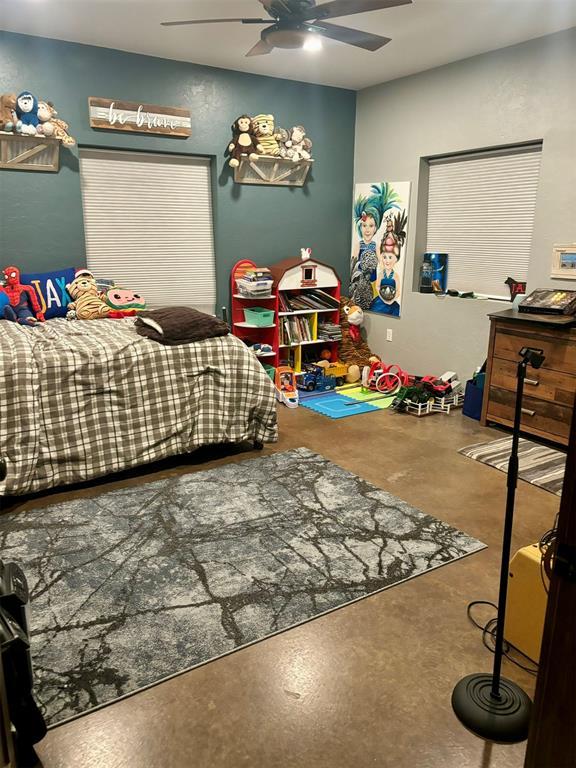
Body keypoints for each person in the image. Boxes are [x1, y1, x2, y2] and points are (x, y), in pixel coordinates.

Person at [371, 218, 401, 316]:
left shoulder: (395, 275)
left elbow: (398, 290)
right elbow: (377, 286)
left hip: (391, 302)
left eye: (390, 257)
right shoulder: (381, 274)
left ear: (395, 259)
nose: (387, 261)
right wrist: (382, 297)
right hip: (380, 300)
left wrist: (391, 300)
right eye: (384, 257)